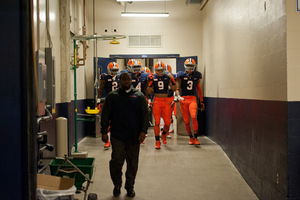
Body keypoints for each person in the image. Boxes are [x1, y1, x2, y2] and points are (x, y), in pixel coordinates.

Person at [101, 72, 149, 197]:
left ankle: (130, 186)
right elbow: (105, 115)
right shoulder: (112, 96)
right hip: (117, 135)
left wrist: (143, 131)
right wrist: (104, 132)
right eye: (123, 79)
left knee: (132, 164)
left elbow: (145, 115)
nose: (126, 81)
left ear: (131, 80)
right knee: (116, 161)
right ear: (120, 80)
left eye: (128, 79)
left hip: (134, 136)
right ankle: (117, 185)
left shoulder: (139, 96)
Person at [175, 58, 205, 145]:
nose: (190, 68)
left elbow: (199, 89)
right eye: (188, 66)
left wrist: (201, 101)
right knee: (186, 121)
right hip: (183, 99)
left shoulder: (197, 75)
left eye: (191, 66)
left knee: (193, 117)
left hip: (192, 99)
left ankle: (196, 137)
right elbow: (177, 90)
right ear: (185, 66)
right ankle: (191, 137)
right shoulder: (180, 75)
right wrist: (179, 97)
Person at [147, 61, 176, 149]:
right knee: (157, 122)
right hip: (157, 101)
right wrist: (151, 82)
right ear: (155, 70)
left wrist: (173, 79)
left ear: (164, 70)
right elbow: (148, 92)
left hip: (166, 101)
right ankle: (157, 141)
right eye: (158, 70)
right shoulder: (153, 77)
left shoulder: (167, 77)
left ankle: (163, 134)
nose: (159, 72)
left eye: (161, 70)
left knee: (167, 122)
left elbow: (174, 89)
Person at [97, 62, 120, 149]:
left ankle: (118, 139)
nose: (114, 72)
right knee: (107, 121)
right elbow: (100, 89)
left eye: (115, 70)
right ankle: (108, 141)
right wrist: (98, 101)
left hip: (119, 101)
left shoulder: (120, 76)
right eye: (112, 70)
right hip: (109, 101)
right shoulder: (105, 77)